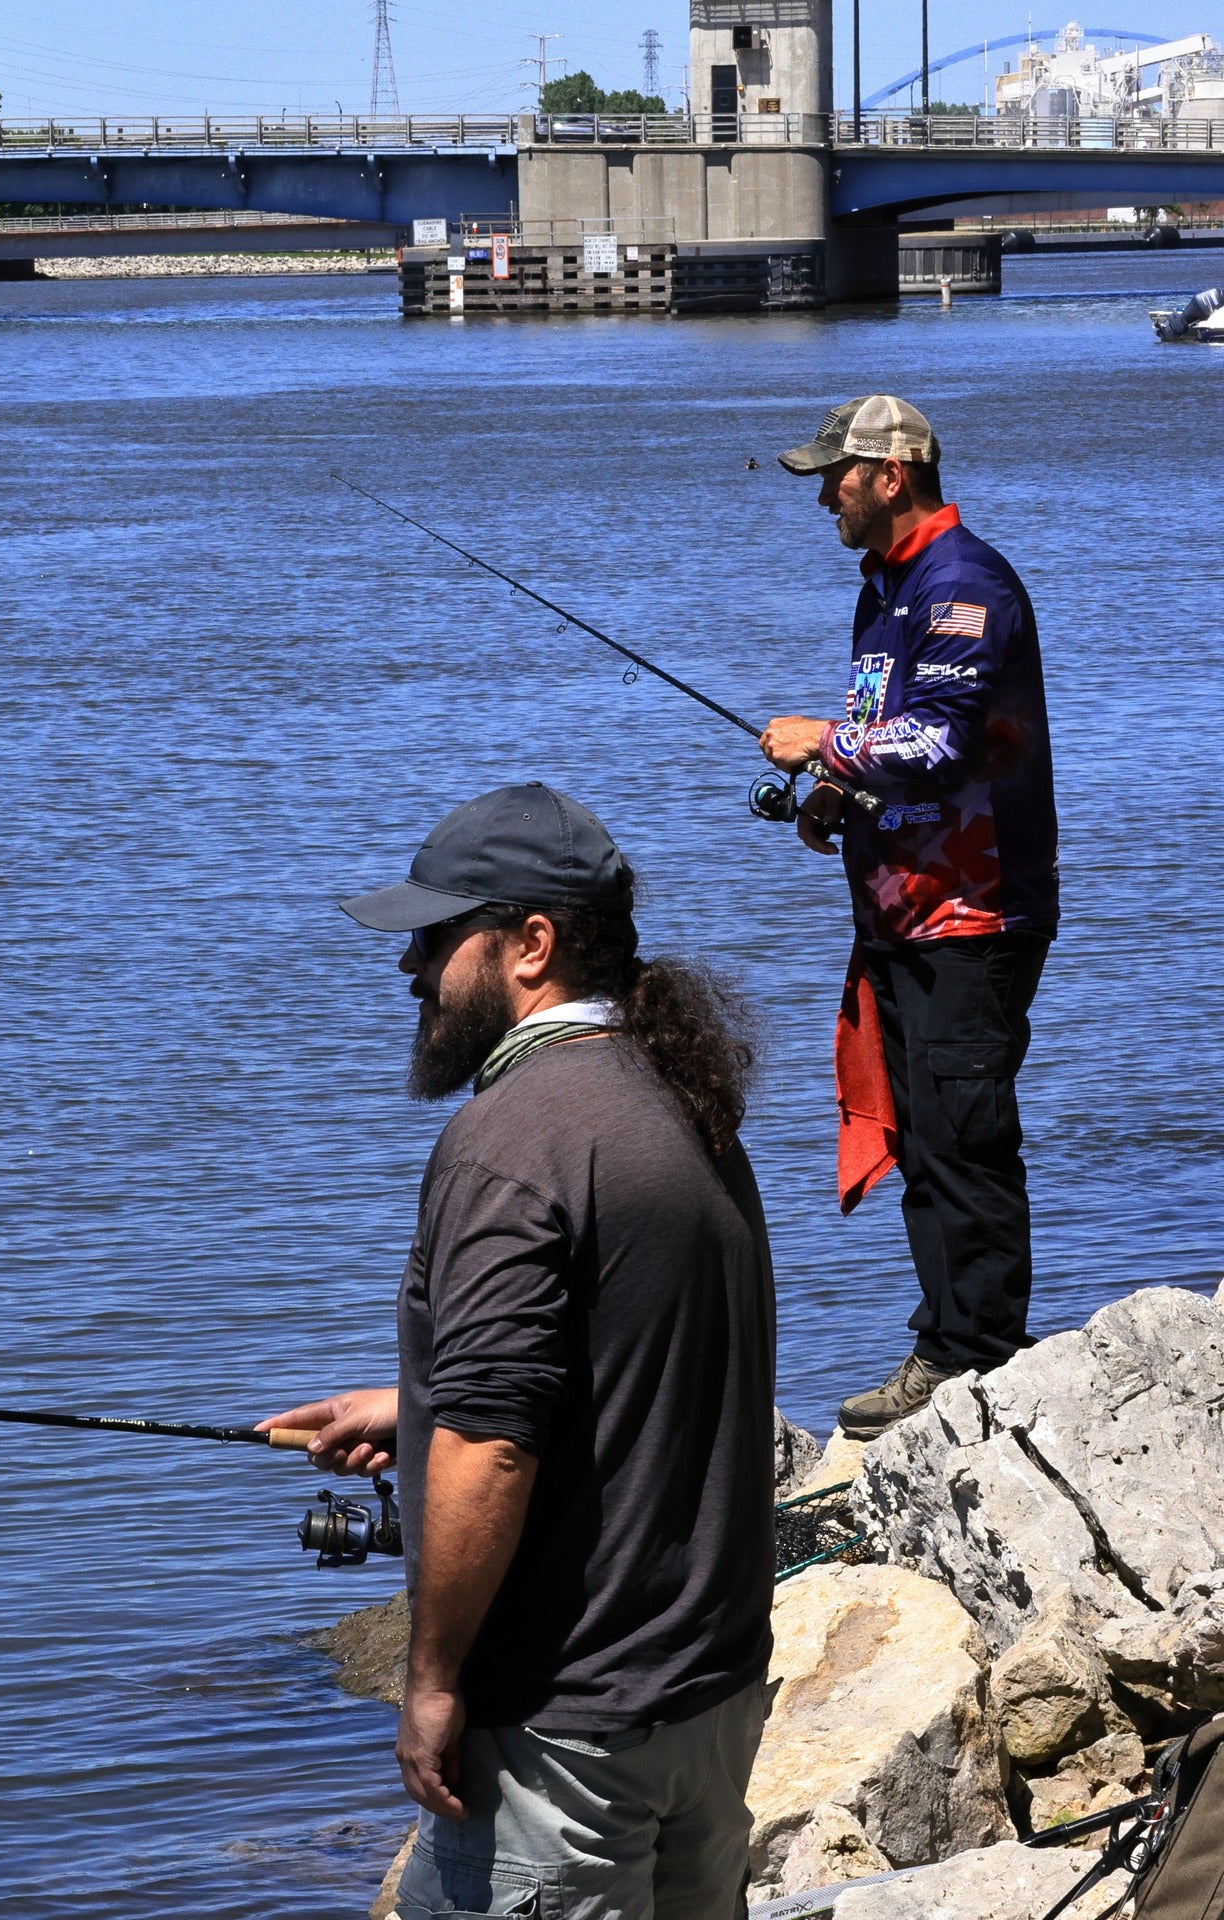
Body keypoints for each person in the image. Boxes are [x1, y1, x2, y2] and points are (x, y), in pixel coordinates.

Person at [260, 782, 776, 1920]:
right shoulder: (680, 1100)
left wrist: (432, 1679)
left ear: (529, 943)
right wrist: (415, 1403)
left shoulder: (508, 1140)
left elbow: (493, 1447)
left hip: (568, 1736)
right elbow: (649, 1352)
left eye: (437, 937)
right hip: (710, 1699)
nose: (411, 970)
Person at [759, 395, 1058, 1439]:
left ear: (893, 472)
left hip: (975, 912)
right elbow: (895, 735)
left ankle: (981, 1362)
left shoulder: (964, 582)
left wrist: (823, 749)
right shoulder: (884, 590)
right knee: (928, 1135)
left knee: (965, 1137)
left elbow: (946, 738)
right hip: (903, 911)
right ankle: (948, 1345)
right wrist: (840, 800)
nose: (824, 495)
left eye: (835, 475)